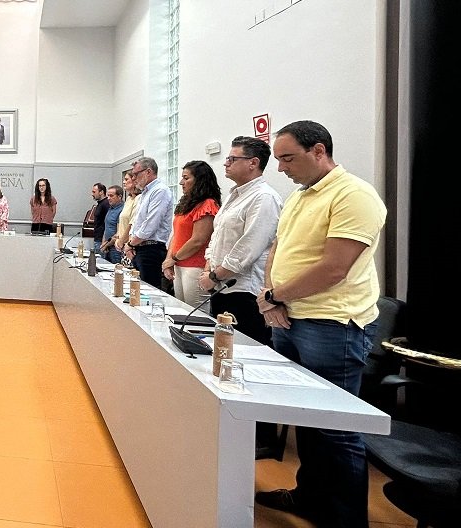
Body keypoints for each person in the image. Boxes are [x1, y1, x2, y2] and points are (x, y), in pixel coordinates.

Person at [253, 120, 387, 528]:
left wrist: (277, 297)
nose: (281, 168)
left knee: (336, 429)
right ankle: (309, 497)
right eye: (278, 159)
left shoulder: (354, 195)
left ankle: (346, 519)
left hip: (332, 326)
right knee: (306, 418)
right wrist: (269, 298)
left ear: (319, 151)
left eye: (288, 158)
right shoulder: (300, 197)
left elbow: (333, 268)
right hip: (289, 318)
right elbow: (279, 248)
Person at [198, 136, 283, 459]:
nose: (226, 163)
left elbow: (249, 247)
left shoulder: (264, 198)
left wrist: (217, 273)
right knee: (224, 356)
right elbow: (218, 238)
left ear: (253, 163)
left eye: (233, 159)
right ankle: (231, 419)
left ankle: (261, 435)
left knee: (249, 361)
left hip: (244, 291)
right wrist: (210, 265)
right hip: (222, 287)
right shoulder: (236, 196)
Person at [162, 160, 221, 304]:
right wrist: (169, 260)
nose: (181, 182)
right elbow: (176, 235)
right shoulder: (186, 204)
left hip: (195, 265)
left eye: (186, 178)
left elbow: (198, 240)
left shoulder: (208, 204)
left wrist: (174, 258)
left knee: (195, 313)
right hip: (179, 263)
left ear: (200, 180)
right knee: (180, 307)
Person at [123, 157, 173, 289]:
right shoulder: (145, 193)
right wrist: (131, 245)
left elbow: (150, 225)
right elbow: (136, 223)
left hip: (151, 249)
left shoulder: (160, 191)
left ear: (148, 172)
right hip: (139, 248)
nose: (133, 178)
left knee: (148, 292)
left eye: (136, 174)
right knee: (136, 291)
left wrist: (129, 244)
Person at [97, 185, 125, 263]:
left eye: (111, 196)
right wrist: (103, 243)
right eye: (108, 195)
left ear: (119, 196)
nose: (108, 198)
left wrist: (106, 245)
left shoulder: (122, 210)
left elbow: (118, 233)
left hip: (116, 249)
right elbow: (106, 228)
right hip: (107, 247)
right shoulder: (111, 208)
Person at [89, 183, 109, 253]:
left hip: (102, 240)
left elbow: (108, 223)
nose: (92, 194)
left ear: (101, 192)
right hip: (97, 238)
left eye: (94, 192)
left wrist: (104, 241)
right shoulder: (100, 204)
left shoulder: (106, 204)